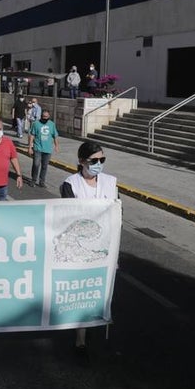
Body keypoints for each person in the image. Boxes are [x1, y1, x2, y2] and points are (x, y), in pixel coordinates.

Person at [60, 141, 119, 361]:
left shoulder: (111, 182)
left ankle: (96, 321)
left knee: (99, 291)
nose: (99, 164)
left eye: (102, 160)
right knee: (82, 292)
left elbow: (116, 212)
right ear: (82, 161)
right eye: (94, 161)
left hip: (104, 246)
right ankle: (80, 339)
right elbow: (67, 216)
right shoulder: (71, 184)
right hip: (81, 248)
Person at [28, 108, 59, 188]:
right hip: (37, 148)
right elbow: (32, 135)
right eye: (43, 116)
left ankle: (42, 181)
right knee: (36, 164)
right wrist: (30, 147)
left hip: (47, 149)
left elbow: (55, 136)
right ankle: (33, 180)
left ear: (49, 116)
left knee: (44, 166)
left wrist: (56, 146)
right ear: (41, 116)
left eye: (46, 117)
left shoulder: (52, 124)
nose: (45, 118)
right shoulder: (36, 124)